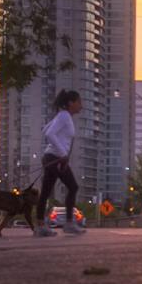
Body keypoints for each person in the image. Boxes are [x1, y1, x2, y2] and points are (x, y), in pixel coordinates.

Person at [39, 89, 85, 236]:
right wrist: (63, 154)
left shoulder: (63, 116)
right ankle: (69, 224)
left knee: (46, 191)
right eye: (79, 101)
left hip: (51, 157)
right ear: (71, 103)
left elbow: (45, 129)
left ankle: (40, 226)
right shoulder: (64, 116)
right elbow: (49, 133)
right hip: (55, 158)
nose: (81, 105)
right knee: (73, 187)